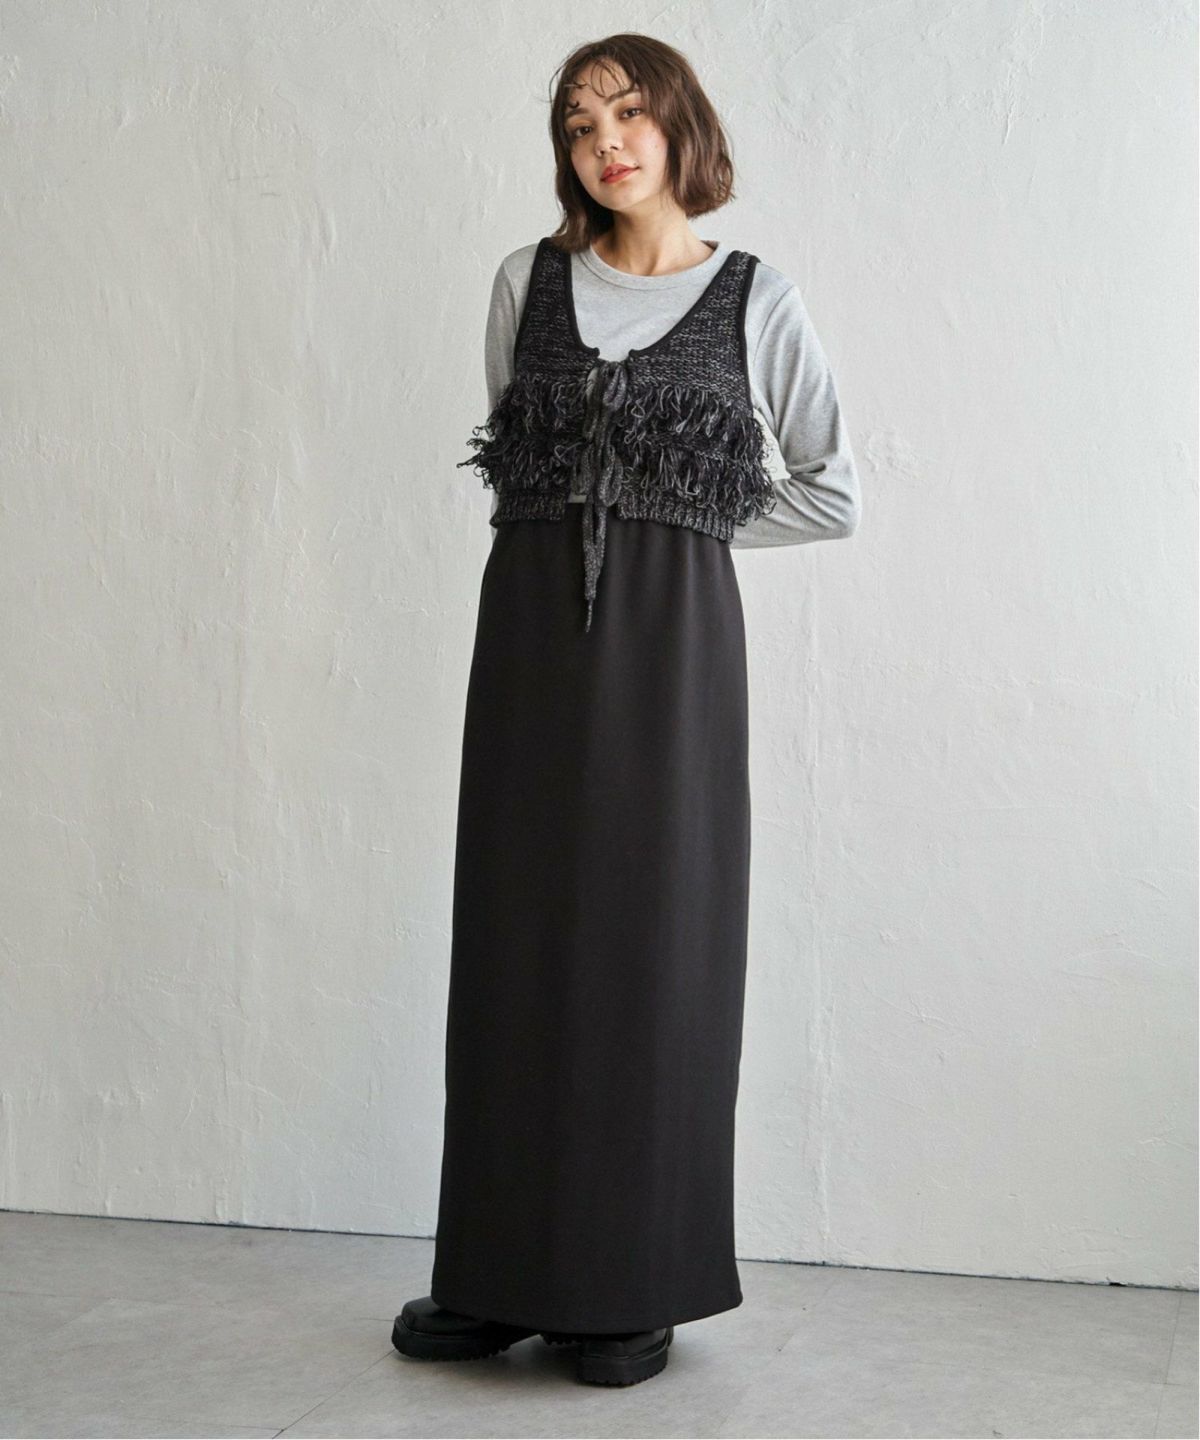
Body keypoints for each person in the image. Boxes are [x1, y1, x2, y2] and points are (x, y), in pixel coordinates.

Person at [392, 33, 862, 1389]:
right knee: (516, 938)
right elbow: (521, 464)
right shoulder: (525, 282)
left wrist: (680, 518)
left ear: (679, 128)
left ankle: (626, 1284)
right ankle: (494, 1274)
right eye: (580, 121)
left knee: (657, 941)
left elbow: (833, 488)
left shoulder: (755, 296)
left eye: (631, 112)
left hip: (674, 651)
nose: (607, 140)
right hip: (531, 644)